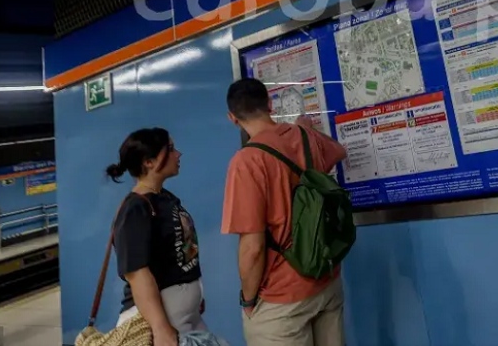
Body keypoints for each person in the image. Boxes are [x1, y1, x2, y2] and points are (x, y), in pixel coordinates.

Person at [221, 78, 348, 346]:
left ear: (232, 118)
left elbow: (253, 247)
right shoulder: (304, 136)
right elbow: (338, 151)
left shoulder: (247, 161)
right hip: (325, 280)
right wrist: (305, 129)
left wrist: (248, 299)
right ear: (269, 104)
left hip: (282, 300)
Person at [106, 128, 205, 346]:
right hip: (160, 321)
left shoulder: (165, 198)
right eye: (170, 149)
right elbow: (137, 273)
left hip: (184, 316)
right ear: (149, 162)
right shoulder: (135, 209)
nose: (178, 154)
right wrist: (160, 329)